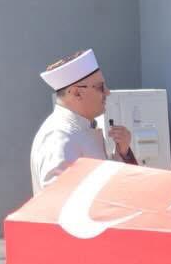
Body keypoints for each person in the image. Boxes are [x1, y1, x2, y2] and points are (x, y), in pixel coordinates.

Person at [31, 49, 136, 195]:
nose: (107, 92)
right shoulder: (59, 136)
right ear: (76, 93)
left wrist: (122, 153)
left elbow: (104, 184)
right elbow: (58, 200)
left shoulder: (80, 128)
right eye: (100, 87)